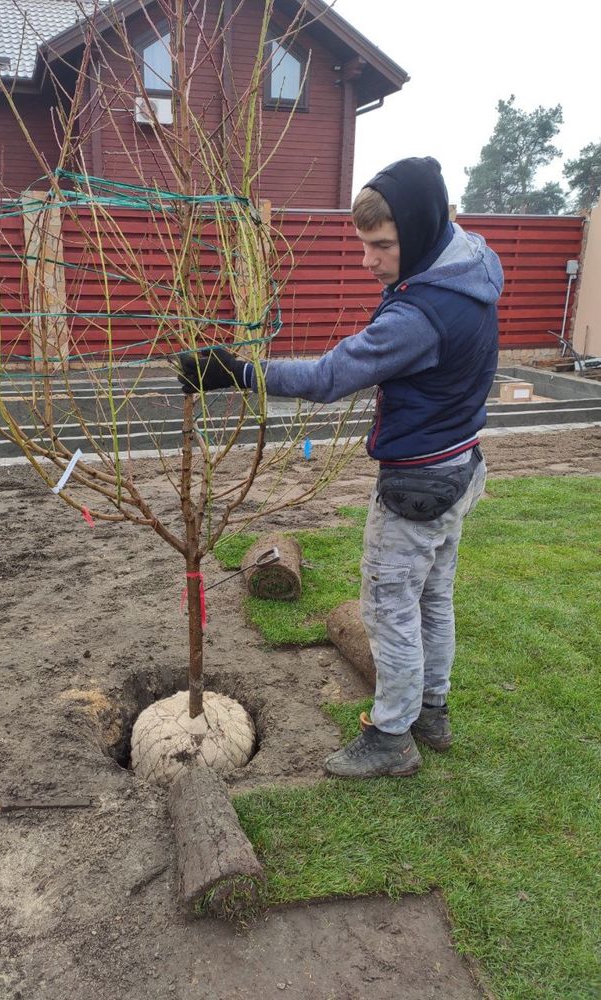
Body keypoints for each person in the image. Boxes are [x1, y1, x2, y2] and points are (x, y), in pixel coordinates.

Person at [178, 156, 504, 779]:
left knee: (389, 610)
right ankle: (430, 711)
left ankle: (391, 738)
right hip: (462, 462)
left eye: (382, 246)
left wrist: (238, 371)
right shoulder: (473, 261)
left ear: (421, 230)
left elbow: (330, 377)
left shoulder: (419, 316)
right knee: (433, 599)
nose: (369, 262)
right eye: (363, 245)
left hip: (418, 483)